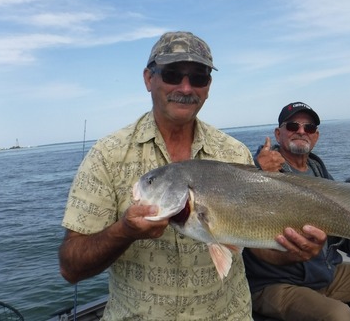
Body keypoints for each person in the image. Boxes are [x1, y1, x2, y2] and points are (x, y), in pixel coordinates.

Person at [58, 31, 259, 320]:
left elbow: (261, 238)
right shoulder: (107, 155)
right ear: (148, 79)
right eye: (173, 74)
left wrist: (295, 248)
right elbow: (70, 267)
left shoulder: (235, 153)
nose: (186, 87)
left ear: (208, 86)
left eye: (199, 77)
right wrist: (123, 232)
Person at [243, 102, 350, 321]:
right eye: (293, 125)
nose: (301, 131)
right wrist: (258, 169)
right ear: (278, 134)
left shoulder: (319, 172)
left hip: (322, 274)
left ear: (316, 136)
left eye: (310, 128)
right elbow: (240, 188)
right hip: (274, 283)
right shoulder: (266, 166)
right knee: (338, 315)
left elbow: (340, 231)